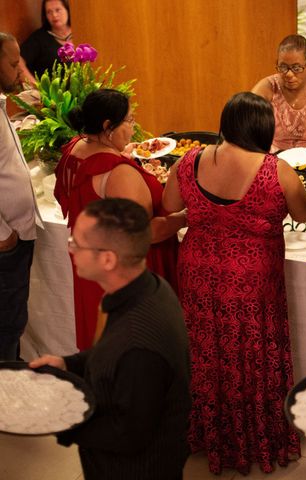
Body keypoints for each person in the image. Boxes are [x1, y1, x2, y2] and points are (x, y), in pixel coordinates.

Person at [162, 92, 306, 475]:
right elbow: (303, 212)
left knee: (206, 352)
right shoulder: (275, 169)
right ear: (264, 129)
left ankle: (207, 435)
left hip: (199, 273)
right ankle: (255, 436)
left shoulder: (189, 160)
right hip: (252, 281)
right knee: (252, 353)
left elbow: (169, 204)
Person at [30, 198, 191, 480]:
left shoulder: (139, 345)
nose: (71, 249)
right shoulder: (150, 287)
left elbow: (129, 435)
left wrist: (60, 420)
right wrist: (67, 363)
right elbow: (110, 353)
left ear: (107, 259)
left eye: (77, 243)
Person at [54, 88, 186, 350]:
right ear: (107, 126)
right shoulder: (117, 172)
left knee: (104, 338)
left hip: (94, 267)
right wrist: (185, 217)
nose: (133, 129)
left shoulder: (73, 149)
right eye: (129, 121)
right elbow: (146, 232)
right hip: (131, 272)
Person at [0, 32, 42, 360]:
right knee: (6, 327)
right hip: (5, 244)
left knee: (13, 324)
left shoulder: (2, 102)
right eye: (14, 63)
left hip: (14, 236)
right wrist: (3, 236)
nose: (19, 70)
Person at [19, 0, 72, 85]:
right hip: (53, 96)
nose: (54, 15)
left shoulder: (80, 30)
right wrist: (36, 86)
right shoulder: (39, 38)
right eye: (49, 12)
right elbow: (18, 61)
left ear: (67, 10)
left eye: (58, 10)